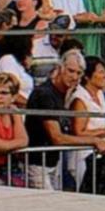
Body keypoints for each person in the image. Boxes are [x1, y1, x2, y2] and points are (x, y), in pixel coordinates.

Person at [25, 52, 85, 191]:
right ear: (60, 68)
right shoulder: (45, 94)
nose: (74, 77)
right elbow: (57, 137)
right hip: (37, 163)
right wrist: (93, 140)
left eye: (78, 73)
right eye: (71, 71)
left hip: (52, 163)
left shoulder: (63, 93)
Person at [67, 56, 105, 195]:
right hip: (86, 157)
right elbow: (79, 132)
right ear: (88, 76)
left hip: (103, 155)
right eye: (101, 72)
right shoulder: (80, 99)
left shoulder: (100, 94)